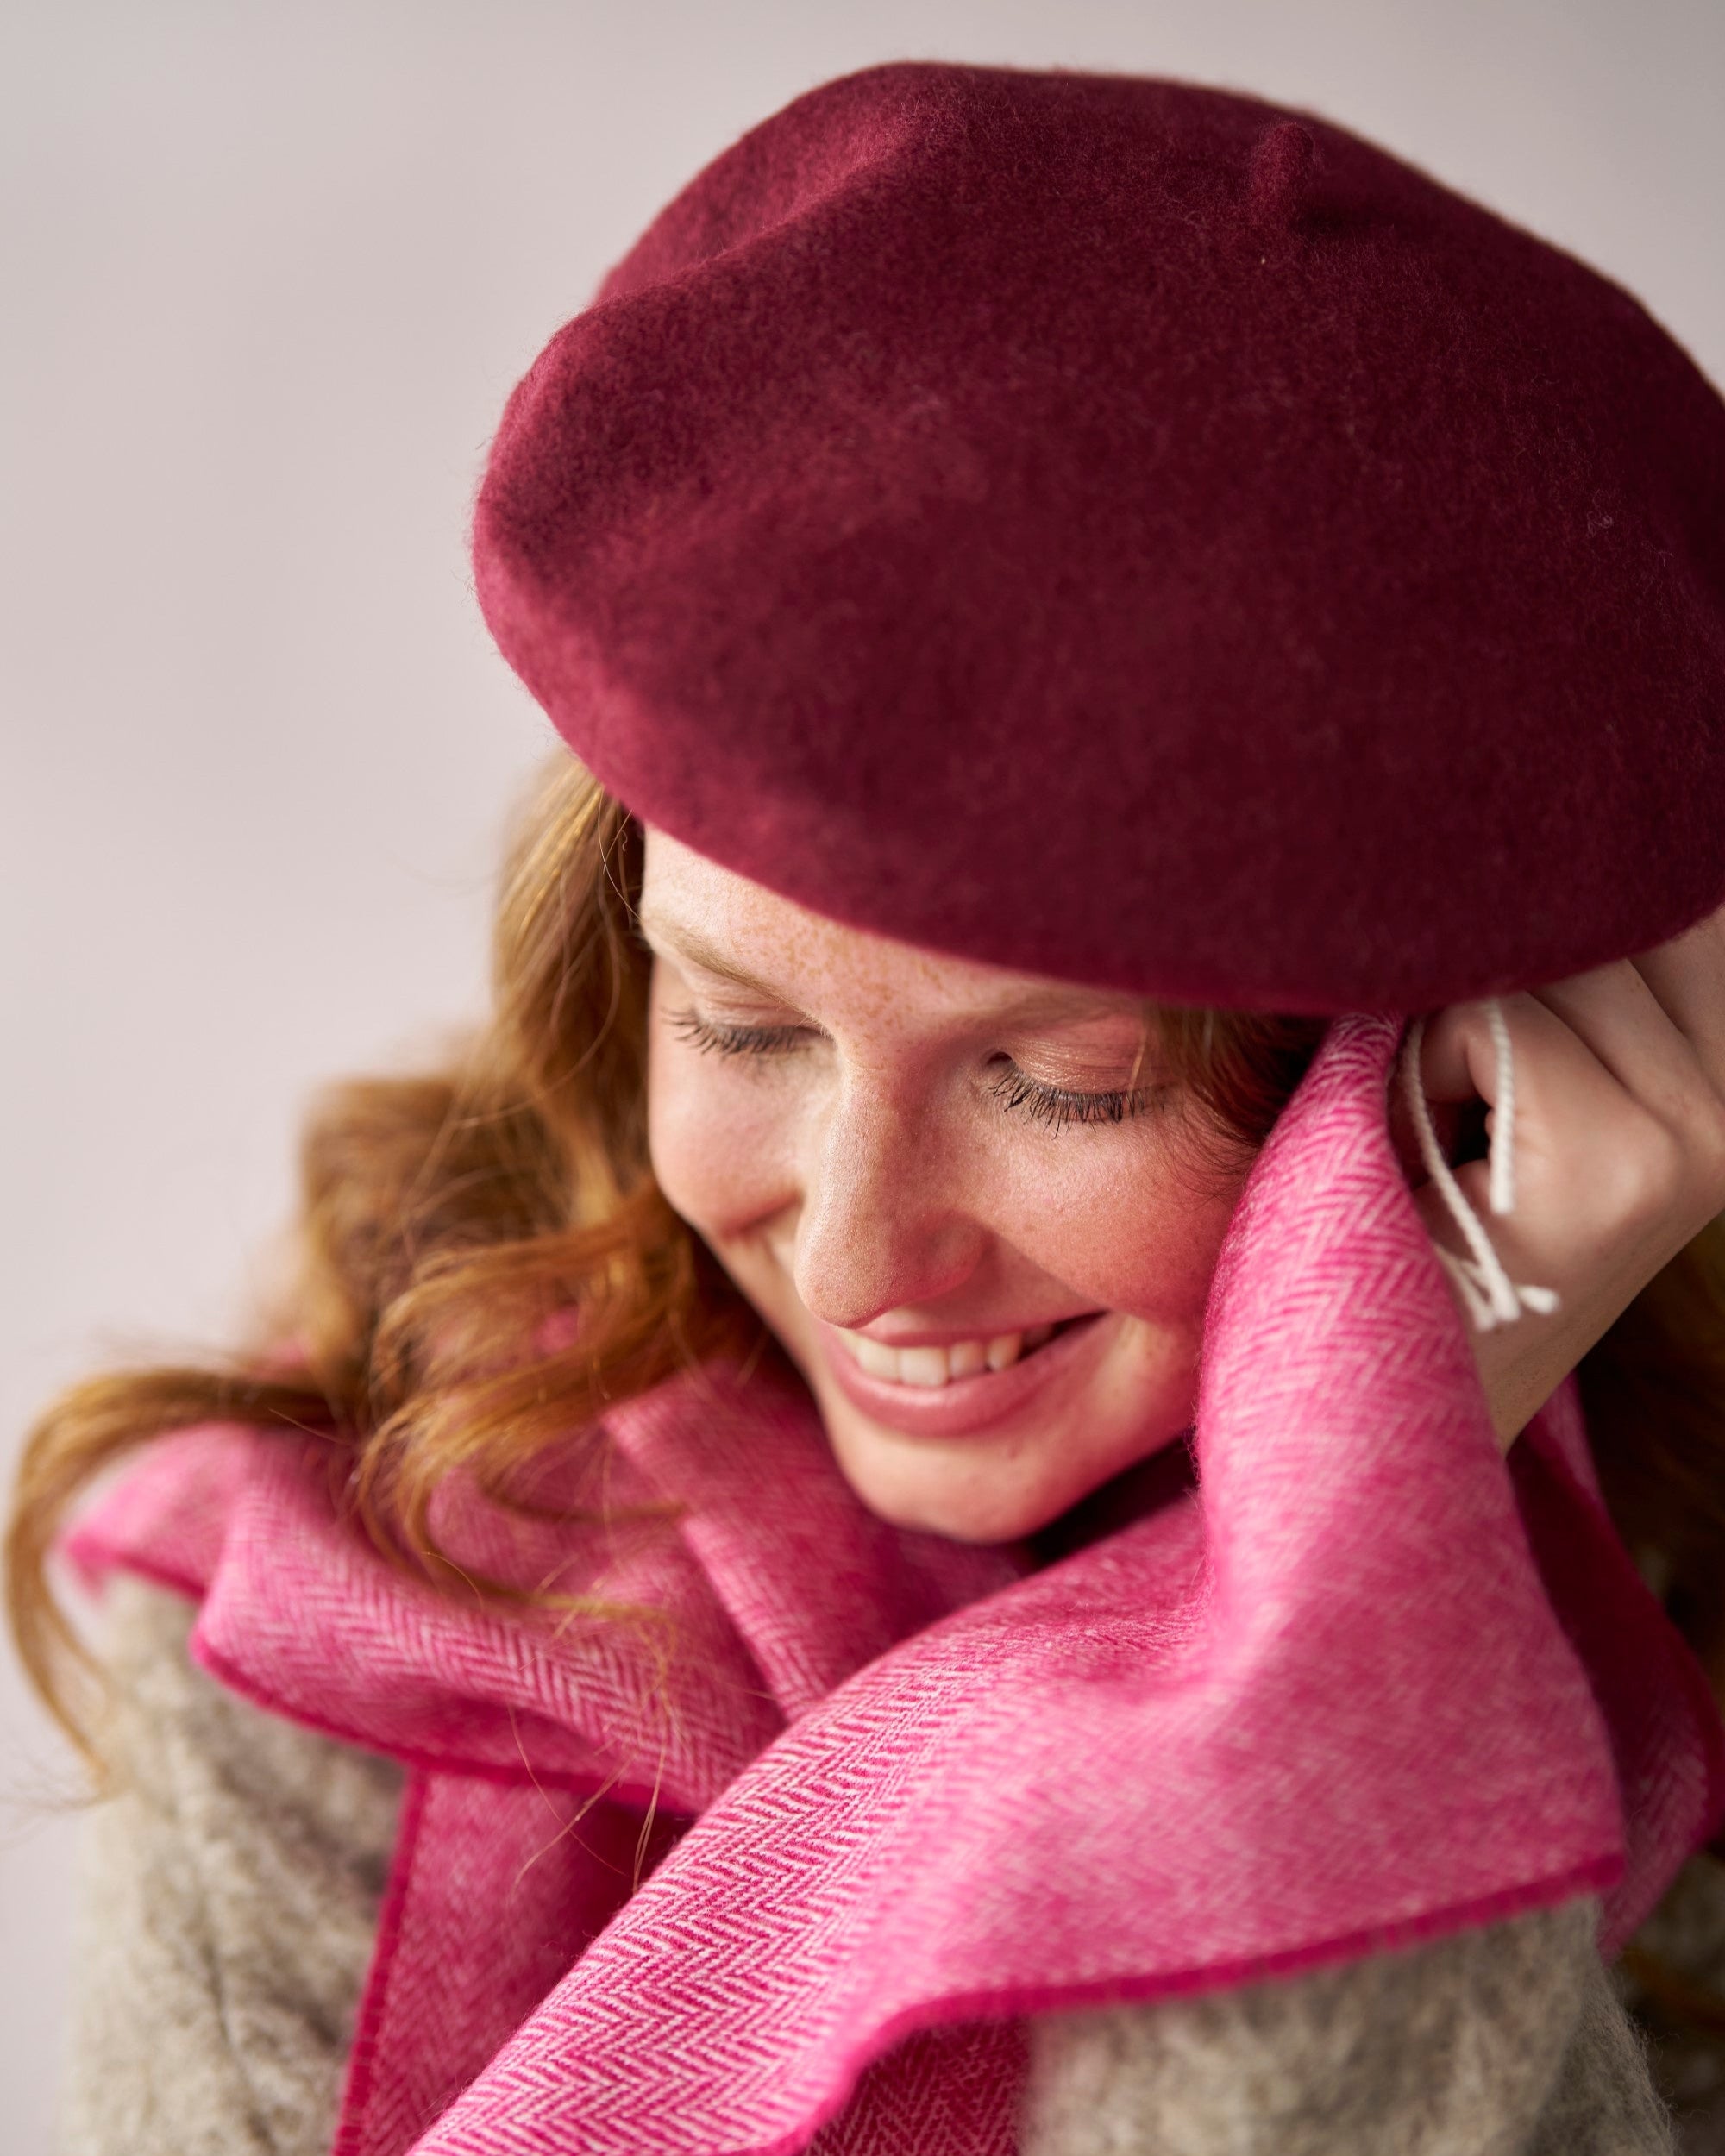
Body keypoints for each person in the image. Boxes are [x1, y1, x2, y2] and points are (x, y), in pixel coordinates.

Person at [11, 57, 1725, 2156]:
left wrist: (1360, 1522)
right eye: (737, 1027)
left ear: (1462, 1060)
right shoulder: (348, 1590)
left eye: (1056, 1080)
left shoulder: (1674, 1604)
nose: (847, 1250)